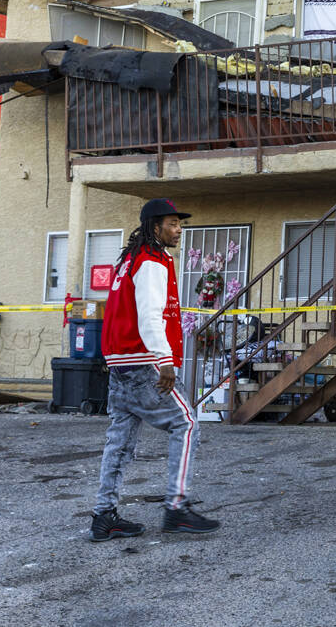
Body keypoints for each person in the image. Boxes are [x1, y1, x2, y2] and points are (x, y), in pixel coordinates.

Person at [89, 198, 221, 541]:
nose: (178, 230)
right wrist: (164, 361)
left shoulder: (128, 261)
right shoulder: (151, 261)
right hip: (142, 361)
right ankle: (176, 508)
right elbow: (150, 316)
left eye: (180, 224)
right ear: (155, 227)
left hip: (119, 364)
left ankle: (104, 516)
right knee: (186, 421)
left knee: (119, 441)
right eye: (172, 224)